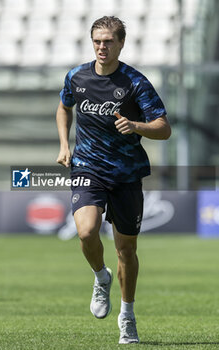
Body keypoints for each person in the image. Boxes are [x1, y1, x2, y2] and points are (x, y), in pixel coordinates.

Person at [56, 16, 171, 344]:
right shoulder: (76, 76)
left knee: (126, 250)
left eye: (108, 41)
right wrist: (65, 145)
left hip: (127, 175)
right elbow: (64, 107)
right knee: (86, 231)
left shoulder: (135, 82)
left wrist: (136, 126)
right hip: (87, 168)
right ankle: (99, 277)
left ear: (121, 43)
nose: (102, 47)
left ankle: (127, 315)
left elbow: (163, 127)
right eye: (97, 41)